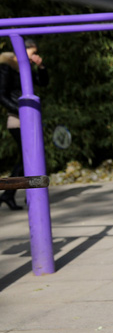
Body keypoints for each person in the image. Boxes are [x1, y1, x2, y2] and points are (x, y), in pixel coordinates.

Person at [0, 38, 49, 210]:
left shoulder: (25, 67)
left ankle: (12, 194)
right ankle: (9, 192)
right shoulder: (7, 66)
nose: (35, 55)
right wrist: (21, 110)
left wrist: (41, 67)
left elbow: (43, 82)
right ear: (23, 50)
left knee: (29, 158)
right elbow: (1, 94)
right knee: (27, 159)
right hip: (17, 119)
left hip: (29, 118)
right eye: (33, 52)